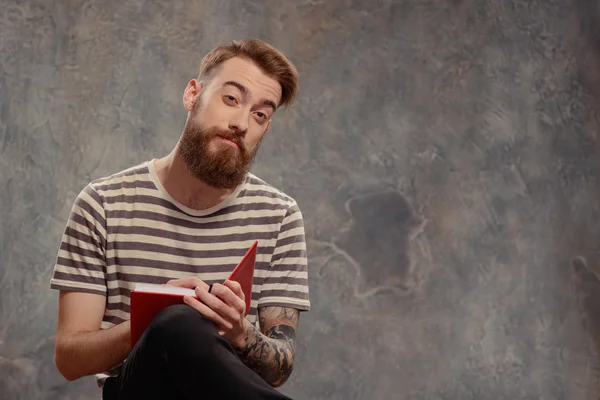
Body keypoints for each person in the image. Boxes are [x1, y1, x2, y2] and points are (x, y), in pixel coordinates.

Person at [50, 38, 310, 400]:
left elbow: (280, 368)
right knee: (178, 320)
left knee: (185, 322)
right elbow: (69, 358)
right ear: (193, 95)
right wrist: (155, 315)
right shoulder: (102, 204)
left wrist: (238, 333)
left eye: (260, 114)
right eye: (231, 98)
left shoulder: (279, 216)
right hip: (137, 392)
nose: (241, 123)